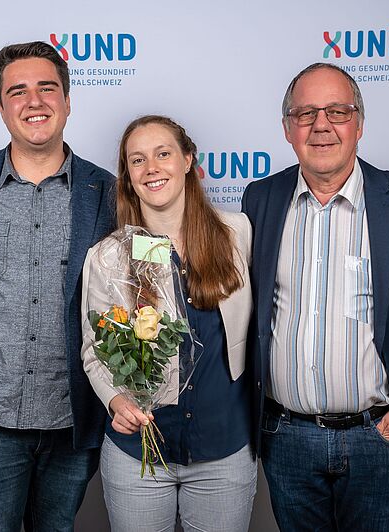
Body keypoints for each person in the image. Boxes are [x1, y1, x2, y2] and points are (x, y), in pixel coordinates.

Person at [241, 63, 389, 531]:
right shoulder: (260, 199)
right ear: (287, 128)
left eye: (337, 111)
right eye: (305, 113)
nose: (321, 125)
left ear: (359, 123)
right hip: (286, 439)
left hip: (379, 436)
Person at [0, 41, 115, 532]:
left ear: (67, 101)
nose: (33, 101)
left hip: (72, 417)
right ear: (1, 107)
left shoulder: (108, 193)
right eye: (17, 91)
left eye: (47, 88)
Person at [81, 115, 257, 531]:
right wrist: (115, 401)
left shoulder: (236, 234)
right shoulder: (108, 256)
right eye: (137, 160)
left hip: (224, 450)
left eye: (163, 154)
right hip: (139, 454)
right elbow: (94, 349)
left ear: (188, 160)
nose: (152, 168)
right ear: (128, 176)